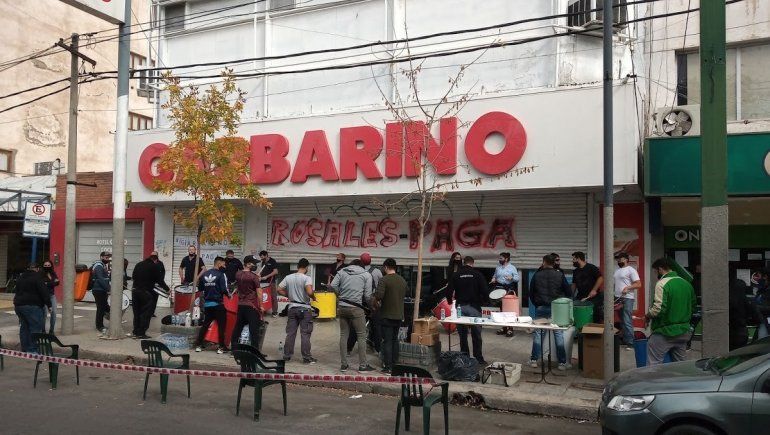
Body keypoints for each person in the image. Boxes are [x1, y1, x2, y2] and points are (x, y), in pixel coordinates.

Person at [645, 258, 696, 365]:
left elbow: (658, 310)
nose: (655, 274)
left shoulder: (662, 284)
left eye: (655, 271)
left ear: (660, 269)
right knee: (680, 366)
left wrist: (648, 315)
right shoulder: (686, 283)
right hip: (683, 331)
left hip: (665, 332)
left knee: (653, 366)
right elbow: (693, 307)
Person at [331, 259, 375, 372]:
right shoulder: (366, 275)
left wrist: (340, 295)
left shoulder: (341, 271)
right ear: (362, 266)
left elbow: (333, 285)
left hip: (342, 307)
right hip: (356, 308)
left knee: (343, 335)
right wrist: (371, 308)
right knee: (361, 335)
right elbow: (368, 296)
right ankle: (363, 365)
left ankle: (344, 365)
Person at [529, 254, 572, 370]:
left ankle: (534, 360)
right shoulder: (559, 275)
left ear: (544, 262)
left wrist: (537, 304)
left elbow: (531, 292)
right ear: (554, 263)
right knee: (558, 334)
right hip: (557, 309)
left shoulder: (537, 275)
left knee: (538, 333)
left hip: (541, 307)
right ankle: (562, 363)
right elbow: (568, 292)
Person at [447, 256, 488, 365]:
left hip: (460, 308)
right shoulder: (477, 274)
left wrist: (450, 302)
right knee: (476, 334)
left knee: (463, 335)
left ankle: (465, 357)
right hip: (474, 307)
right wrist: (486, 302)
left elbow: (449, 290)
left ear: (464, 263)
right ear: (472, 264)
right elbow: (485, 290)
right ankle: (478, 358)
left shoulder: (456, 275)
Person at [278, 258, 317, 364]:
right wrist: (313, 297)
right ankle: (306, 357)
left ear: (298, 266)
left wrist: (289, 295)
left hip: (292, 308)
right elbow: (309, 292)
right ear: (307, 267)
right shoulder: (307, 278)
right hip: (304, 309)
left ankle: (287, 355)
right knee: (305, 334)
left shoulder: (288, 277)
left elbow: (279, 289)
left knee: (290, 333)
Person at [374, 258, 407, 374]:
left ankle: (388, 367)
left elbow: (379, 295)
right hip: (399, 315)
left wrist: (375, 299)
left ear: (386, 267)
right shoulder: (402, 280)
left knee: (387, 341)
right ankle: (394, 364)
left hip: (387, 315)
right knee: (394, 340)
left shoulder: (384, 280)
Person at [348, 252, 383, 354]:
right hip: (373, 302)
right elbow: (380, 287)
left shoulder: (356, 272)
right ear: (371, 260)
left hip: (359, 302)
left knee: (355, 326)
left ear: (360, 261)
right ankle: (378, 349)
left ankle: (348, 349)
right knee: (376, 326)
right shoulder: (377, 271)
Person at [194, 257, 230, 354]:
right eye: (223, 264)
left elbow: (200, 288)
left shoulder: (204, 274)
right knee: (221, 326)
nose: (224, 266)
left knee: (205, 325)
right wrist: (229, 295)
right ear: (219, 264)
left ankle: (198, 345)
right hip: (218, 305)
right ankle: (221, 347)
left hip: (207, 305)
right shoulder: (221, 274)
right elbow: (224, 289)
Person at [14, 263, 51, 353]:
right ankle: (32, 350)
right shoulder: (37, 277)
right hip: (33, 306)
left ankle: (25, 348)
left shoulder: (21, 277)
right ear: (37, 269)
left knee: (24, 327)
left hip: (19, 306)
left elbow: (17, 291)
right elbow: (44, 292)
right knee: (35, 328)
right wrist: (49, 305)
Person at [130, 253, 167, 339]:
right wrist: (167, 289)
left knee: (137, 312)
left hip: (135, 291)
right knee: (146, 313)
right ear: (155, 260)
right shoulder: (154, 266)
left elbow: (133, 276)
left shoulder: (138, 264)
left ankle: (135, 331)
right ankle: (141, 333)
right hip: (145, 293)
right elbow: (160, 280)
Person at [231, 256, 263, 351]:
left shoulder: (237, 274)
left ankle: (234, 349)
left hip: (241, 305)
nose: (255, 265)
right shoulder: (254, 277)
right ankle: (254, 351)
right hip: (251, 306)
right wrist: (261, 306)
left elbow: (239, 286)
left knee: (238, 327)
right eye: (254, 263)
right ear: (248, 264)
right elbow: (259, 292)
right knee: (254, 330)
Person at [614, 252, 642, 348]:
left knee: (627, 320)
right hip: (617, 298)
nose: (618, 260)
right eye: (617, 259)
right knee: (622, 320)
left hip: (627, 298)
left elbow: (638, 284)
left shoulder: (631, 270)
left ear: (626, 259)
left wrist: (627, 288)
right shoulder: (617, 270)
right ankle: (625, 340)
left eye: (620, 259)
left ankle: (631, 343)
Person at [491, 252, 519, 337]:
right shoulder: (498, 267)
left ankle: (510, 329)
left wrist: (512, 278)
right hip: (499, 287)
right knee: (501, 308)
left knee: (509, 309)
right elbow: (495, 275)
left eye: (501, 258)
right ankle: (504, 328)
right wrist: (493, 278)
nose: (499, 260)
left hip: (508, 288)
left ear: (506, 259)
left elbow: (517, 278)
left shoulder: (512, 267)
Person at [572, 251, 604, 323]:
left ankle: (594, 329)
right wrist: (571, 295)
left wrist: (594, 290)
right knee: (579, 316)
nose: (572, 261)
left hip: (594, 298)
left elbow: (600, 278)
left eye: (573, 259)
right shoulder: (576, 271)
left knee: (594, 316)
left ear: (578, 259)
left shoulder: (591, 267)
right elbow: (574, 284)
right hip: (580, 297)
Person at [92, 251, 112, 335]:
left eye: (108, 257)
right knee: (100, 308)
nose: (108, 259)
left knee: (104, 307)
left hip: (101, 290)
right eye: (106, 257)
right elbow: (100, 279)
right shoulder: (99, 266)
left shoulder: (103, 265)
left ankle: (113, 319)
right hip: (98, 290)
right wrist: (108, 289)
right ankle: (99, 326)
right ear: (101, 257)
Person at [258, 250, 279, 317]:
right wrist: (259, 276)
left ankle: (275, 312)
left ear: (266, 255)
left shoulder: (272, 261)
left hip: (271, 282)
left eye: (262, 257)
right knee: (263, 297)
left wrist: (266, 277)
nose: (261, 258)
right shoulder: (263, 262)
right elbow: (262, 271)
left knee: (273, 297)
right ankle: (264, 310)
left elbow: (275, 271)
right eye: (261, 257)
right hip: (263, 283)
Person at [40, 260, 59, 335]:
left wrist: (47, 283)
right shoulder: (40, 274)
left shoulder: (53, 273)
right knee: (44, 314)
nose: (47, 267)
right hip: (43, 297)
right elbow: (42, 284)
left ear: (51, 266)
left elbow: (57, 282)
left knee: (54, 313)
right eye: (45, 265)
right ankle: (43, 331)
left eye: (48, 265)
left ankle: (51, 330)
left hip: (52, 296)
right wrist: (52, 283)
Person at [149, 250, 167, 317]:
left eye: (154, 255)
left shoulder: (160, 263)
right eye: (152, 255)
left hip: (157, 285)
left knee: (154, 299)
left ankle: (152, 313)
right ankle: (147, 312)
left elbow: (163, 272)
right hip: (149, 285)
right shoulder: (148, 263)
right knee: (148, 299)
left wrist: (160, 281)